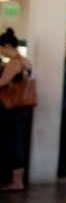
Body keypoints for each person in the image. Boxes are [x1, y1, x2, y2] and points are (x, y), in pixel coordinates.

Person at [0, 28, 33, 191]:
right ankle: (17, 180)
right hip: (22, 108)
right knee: (17, 142)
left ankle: (16, 181)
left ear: (6, 45)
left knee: (13, 143)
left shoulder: (14, 62)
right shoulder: (25, 61)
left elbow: (2, 82)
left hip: (11, 109)